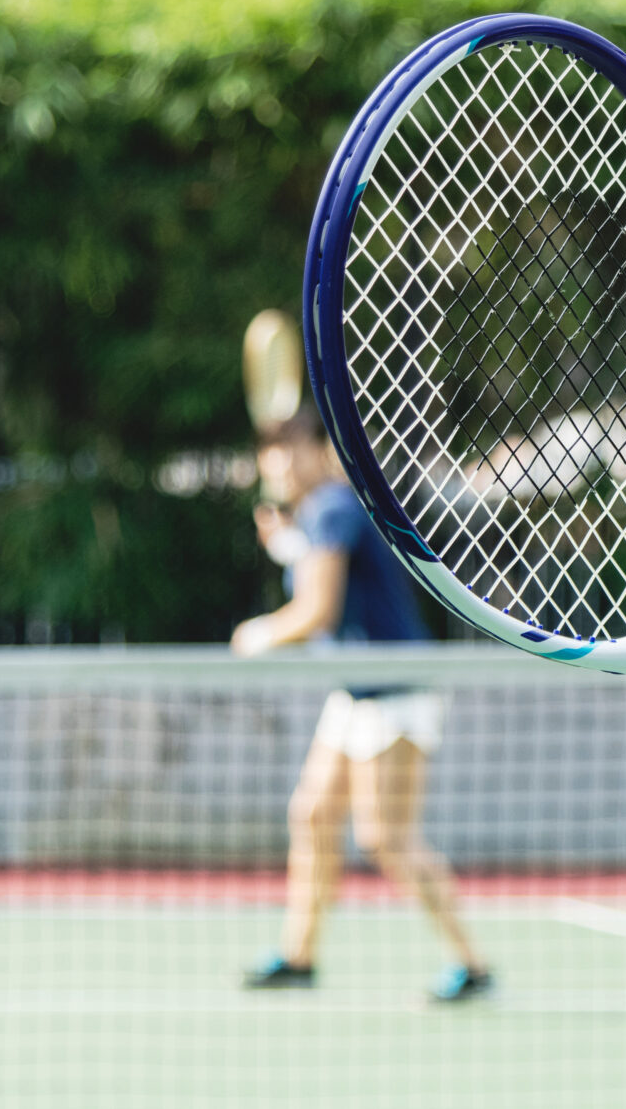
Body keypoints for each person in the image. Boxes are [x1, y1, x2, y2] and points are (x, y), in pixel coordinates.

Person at [235, 409, 492, 1002]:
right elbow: (324, 570)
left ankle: (474, 964)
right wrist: (285, 548)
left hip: (396, 693)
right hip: (355, 692)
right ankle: (299, 956)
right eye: (270, 451)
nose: (277, 462)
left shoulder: (331, 506)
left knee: (386, 839)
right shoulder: (320, 516)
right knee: (314, 813)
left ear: (319, 452)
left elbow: (316, 611)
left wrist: (258, 635)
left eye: (290, 448)